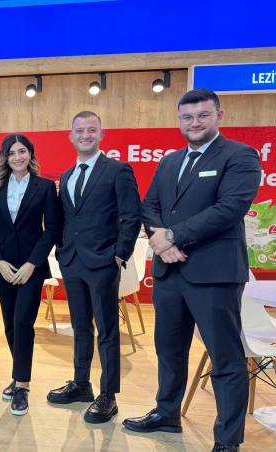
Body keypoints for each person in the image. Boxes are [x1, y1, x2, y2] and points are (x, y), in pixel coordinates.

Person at [123, 89, 261, 452]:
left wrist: (172, 237)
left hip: (214, 273)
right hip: (170, 273)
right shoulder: (170, 161)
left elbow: (229, 208)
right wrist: (164, 243)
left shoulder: (240, 156)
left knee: (225, 358)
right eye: (187, 117)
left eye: (202, 115)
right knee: (169, 350)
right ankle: (166, 413)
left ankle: (227, 440)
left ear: (219, 116)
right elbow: (149, 206)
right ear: (179, 120)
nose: (194, 123)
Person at [48, 111, 141, 423]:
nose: (85, 135)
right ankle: (81, 384)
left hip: (103, 262)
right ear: (71, 136)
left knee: (107, 330)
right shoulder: (67, 175)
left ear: (102, 134)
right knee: (80, 326)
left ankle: (108, 395)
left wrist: (120, 254)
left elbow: (131, 215)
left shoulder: (117, 170)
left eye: (91, 130)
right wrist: (62, 249)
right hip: (72, 261)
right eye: (79, 130)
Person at [0, 134, 61, 415]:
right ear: (5, 157)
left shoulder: (45, 187)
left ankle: (22, 386)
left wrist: (32, 264)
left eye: (22, 151)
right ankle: (18, 375)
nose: (17, 157)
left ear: (30, 154)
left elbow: (52, 228)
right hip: (4, 267)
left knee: (23, 322)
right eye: (12, 153)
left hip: (31, 268)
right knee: (10, 326)